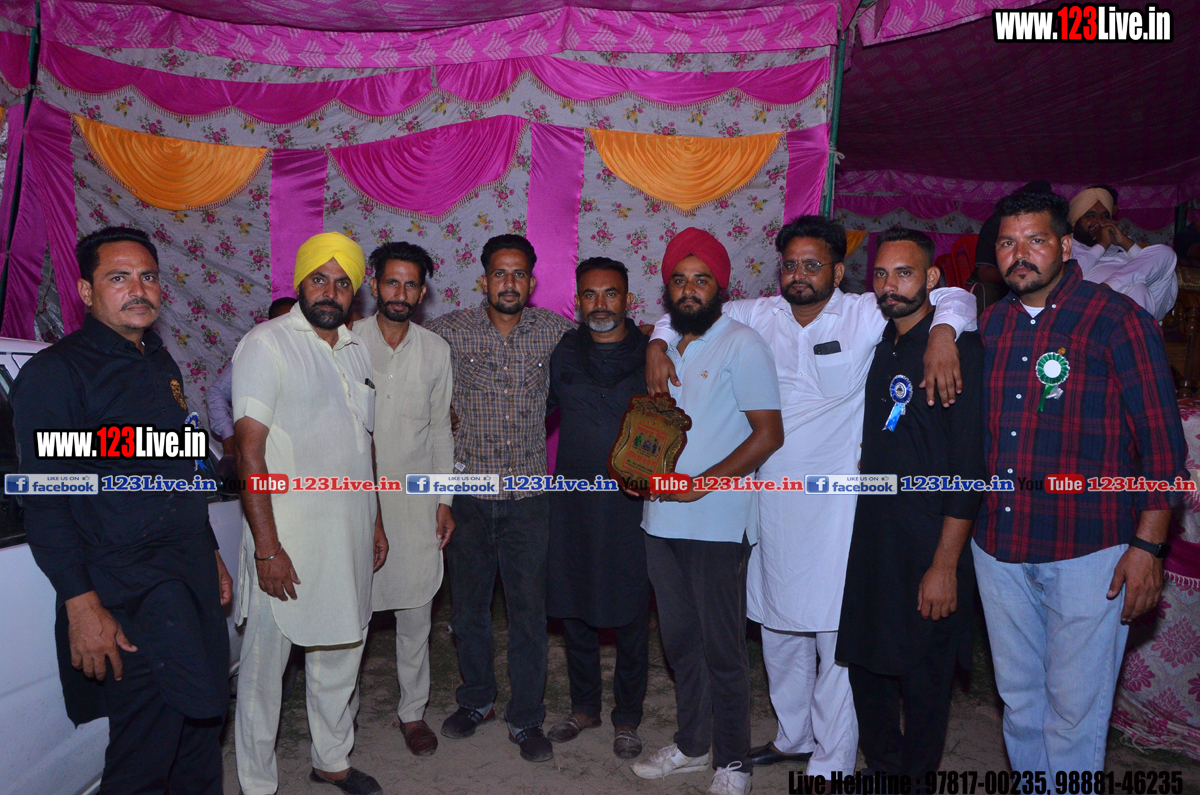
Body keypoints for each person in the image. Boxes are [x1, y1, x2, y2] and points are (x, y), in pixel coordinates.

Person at [646, 217, 977, 778]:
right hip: (768, 497)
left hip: (837, 507)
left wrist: (944, 335)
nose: (798, 275)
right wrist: (657, 342)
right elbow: (690, 303)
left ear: (838, 272)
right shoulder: (760, 315)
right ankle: (793, 734)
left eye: (812, 265)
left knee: (833, 633)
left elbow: (952, 297)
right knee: (776, 626)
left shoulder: (865, 312)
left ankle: (831, 760)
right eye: (790, 265)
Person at [12, 226, 232, 793]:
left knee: (202, 729)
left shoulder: (161, 361)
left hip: (188, 576)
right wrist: (81, 604)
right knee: (146, 753)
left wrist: (210, 551)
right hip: (130, 590)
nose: (138, 289)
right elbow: (45, 500)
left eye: (148, 277)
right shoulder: (57, 373)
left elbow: (182, 468)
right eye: (119, 277)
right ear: (86, 292)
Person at [973, 191, 1187, 773]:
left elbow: (1164, 448)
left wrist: (1148, 548)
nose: (1020, 254)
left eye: (1035, 240)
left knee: (1074, 713)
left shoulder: (1117, 319)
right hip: (999, 546)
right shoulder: (990, 326)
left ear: (1066, 246)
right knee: (1019, 704)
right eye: (1007, 242)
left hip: (1089, 549)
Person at [232, 232, 388, 795]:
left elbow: (363, 443)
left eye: (343, 282)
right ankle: (256, 784)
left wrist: (374, 520)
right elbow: (249, 452)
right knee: (263, 674)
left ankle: (332, 760)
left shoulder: (355, 349)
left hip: (348, 536)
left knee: (342, 652)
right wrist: (267, 549)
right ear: (301, 283)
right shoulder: (266, 344)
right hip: (287, 543)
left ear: (355, 292)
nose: (330, 291)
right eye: (319, 279)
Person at [631, 228, 784, 795]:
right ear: (667, 288)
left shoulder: (743, 344)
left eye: (701, 279)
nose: (689, 289)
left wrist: (702, 486)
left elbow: (768, 435)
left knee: (722, 649)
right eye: (679, 279)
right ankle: (694, 746)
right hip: (659, 522)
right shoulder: (667, 347)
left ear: (721, 287)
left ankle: (734, 761)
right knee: (680, 644)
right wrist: (640, 473)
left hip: (718, 524)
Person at [835, 227, 985, 779]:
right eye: (881, 273)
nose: (889, 285)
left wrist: (944, 565)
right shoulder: (880, 343)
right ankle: (883, 773)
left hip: (929, 540)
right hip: (874, 534)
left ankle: (916, 782)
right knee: (865, 665)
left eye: (904, 273)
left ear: (932, 278)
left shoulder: (958, 350)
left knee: (923, 677)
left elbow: (969, 470)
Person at [425, 234, 575, 763]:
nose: (508, 283)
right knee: (469, 609)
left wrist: (655, 345)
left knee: (528, 613)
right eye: (499, 273)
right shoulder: (448, 331)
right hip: (467, 494)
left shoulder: (556, 332)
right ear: (483, 279)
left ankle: (526, 716)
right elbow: (401, 357)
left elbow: (612, 343)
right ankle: (476, 700)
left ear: (531, 282)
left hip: (529, 496)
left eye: (518, 274)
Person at [544, 257, 650, 759]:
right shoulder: (564, 350)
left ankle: (627, 718)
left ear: (627, 299)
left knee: (631, 613)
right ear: (578, 300)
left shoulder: (652, 352)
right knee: (575, 607)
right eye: (590, 294)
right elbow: (535, 408)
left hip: (632, 503)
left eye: (610, 293)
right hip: (573, 501)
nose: (600, 304)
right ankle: (584, 708)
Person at [358, 242, 455, 757]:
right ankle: (340, 718)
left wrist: (445, 499)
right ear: (374, 285)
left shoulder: (435, 350)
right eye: (391, 282)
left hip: (416, 501)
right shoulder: (346, 342)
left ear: (422, 292)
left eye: (410, 284)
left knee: (417, 613)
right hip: (355, 501)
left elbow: (440, 430)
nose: (400, 292)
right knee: (351, 615)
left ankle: (413, 712)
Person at [205, 297, 294, 471]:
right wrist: (228, 435)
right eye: (281, 323)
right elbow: (216, 392)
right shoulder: (257, 351)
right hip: (265, 455)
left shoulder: (317, 353)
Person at [1068, 185, 1178, 322]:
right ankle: (1139, 332)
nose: (1099, 221)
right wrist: (1102, 245)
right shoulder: (1066, 246)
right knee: (1138, 289)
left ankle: (1106, 288)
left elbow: (1156, 266)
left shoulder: (1120, 246)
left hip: (1141, 297)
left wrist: (1123, 241)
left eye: (1105, 216)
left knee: (1165, 252)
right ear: (1075, 223)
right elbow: (1070, 277)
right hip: (1094, 307)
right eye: (1090, 216)